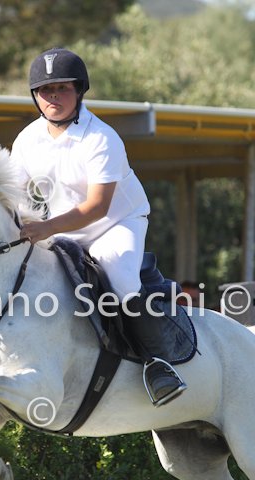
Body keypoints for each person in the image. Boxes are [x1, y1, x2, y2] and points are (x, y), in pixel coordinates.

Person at [11, 47, 186, 407]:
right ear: (35, 96)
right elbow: (13, 196)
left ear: (79, 91)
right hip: (62, 227)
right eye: (45, 90)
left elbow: (97, 207)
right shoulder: (27, 140)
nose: (53, 97)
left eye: (62, 88)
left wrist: (45, 228)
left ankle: (158, 364)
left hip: (115, 223)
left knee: (118, 272)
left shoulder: (102, 138)